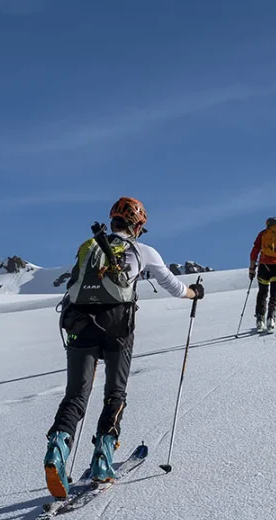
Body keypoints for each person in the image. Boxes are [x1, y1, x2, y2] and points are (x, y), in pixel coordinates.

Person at [43, 196, 203, 498]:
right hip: (118, 325)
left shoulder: (88, 246)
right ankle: (103, 457)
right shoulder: (143, 250)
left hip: (78, 324)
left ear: (113, 220)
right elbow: (174, 287)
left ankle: (57, 450)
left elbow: (74, 284)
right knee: (115, 392)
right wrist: (195, 293)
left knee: (76, 394)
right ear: (139, 225)